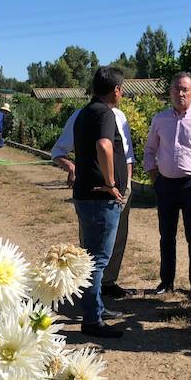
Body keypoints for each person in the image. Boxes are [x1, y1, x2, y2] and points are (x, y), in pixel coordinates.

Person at [144, 72, 191, 302]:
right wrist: (154, 176)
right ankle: (166, 281)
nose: (180, 93)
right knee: (166, 235)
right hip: (165, 184)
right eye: (176, 89)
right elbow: (149, 149)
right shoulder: (159, 119)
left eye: (185, 89)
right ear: (170, 93)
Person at [52, 106, 135, 301]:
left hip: (123, 187)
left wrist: (128, 181)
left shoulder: (120, 116)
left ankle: (108, 282)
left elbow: (127, 154)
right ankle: (90, 287)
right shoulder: (82, 115)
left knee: (118, 235)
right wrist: (72, 167)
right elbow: (58, 151)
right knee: (93, 241)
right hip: (99, 189)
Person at [72, 67, 128, 339]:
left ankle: (96, 308)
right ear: (116, 90)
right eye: (121, 89)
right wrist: (111, 184)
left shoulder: (85, 112)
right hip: (99, 198)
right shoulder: (105, 113)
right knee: (97, 260)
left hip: (85, 194)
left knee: (91, 256)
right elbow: (105, 146)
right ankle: (92, 320)